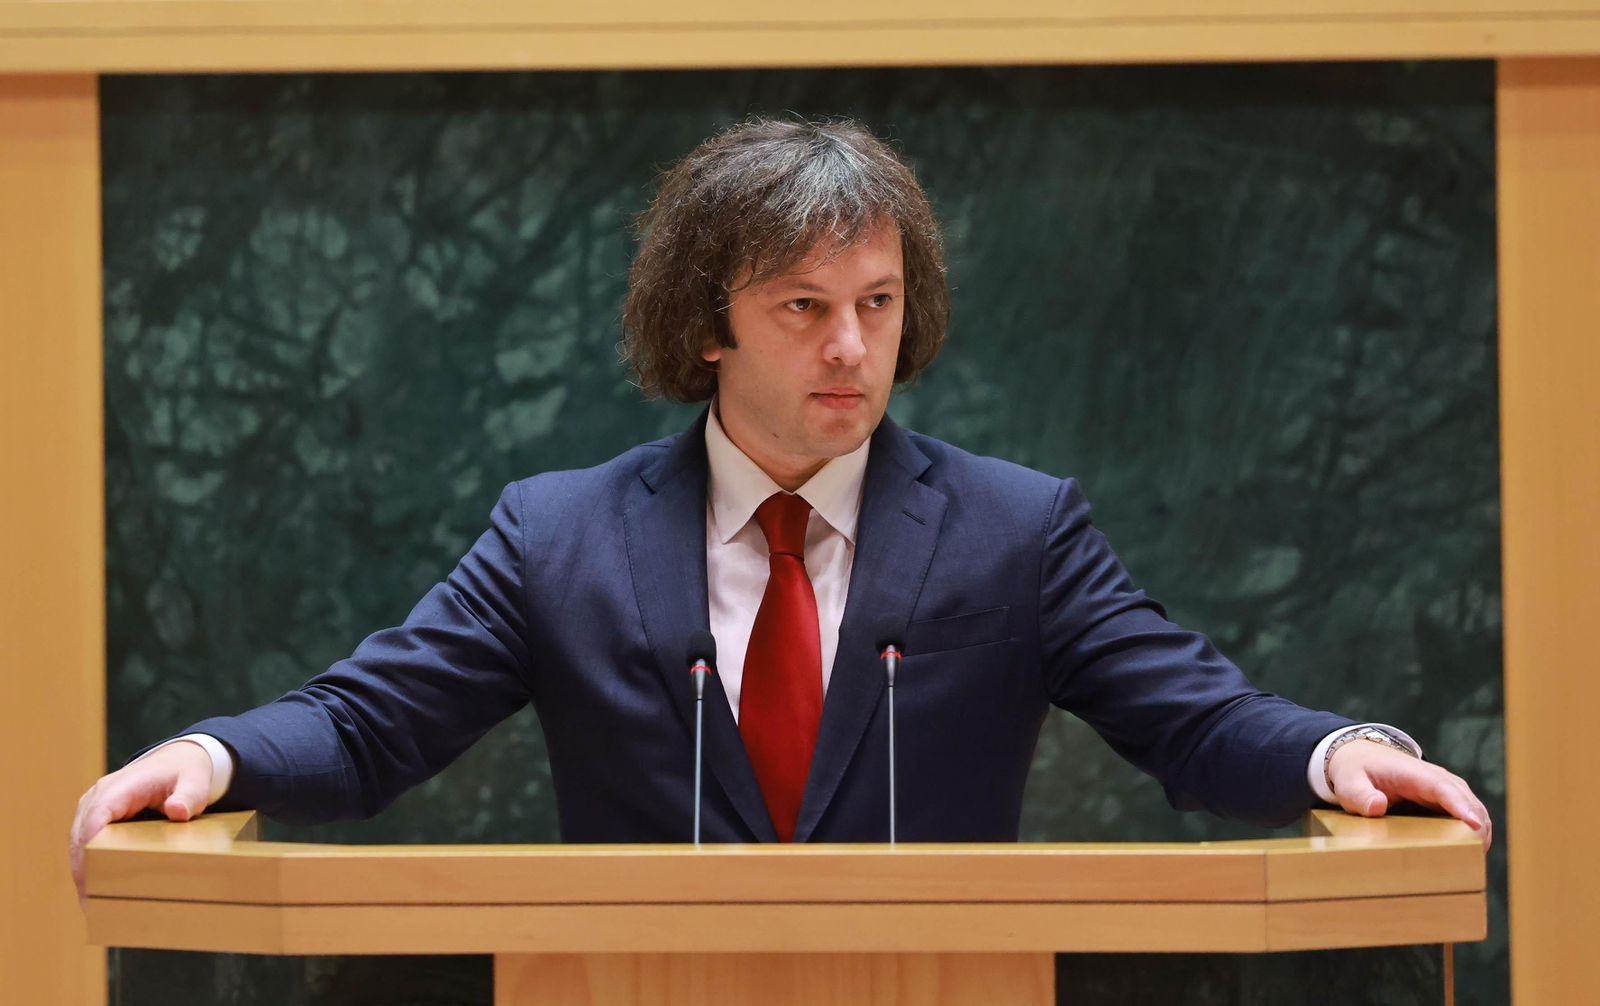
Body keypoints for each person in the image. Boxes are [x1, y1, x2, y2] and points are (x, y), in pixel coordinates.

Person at [70, 117, 1491, 899]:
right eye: (803, 308)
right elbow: (368, 724)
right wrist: (209, 753)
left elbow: (1195, 718)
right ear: (709, 326)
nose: (851, 348)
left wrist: (1341, 751)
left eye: (878, 303)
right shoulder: (560, 537)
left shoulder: (1018, 530)